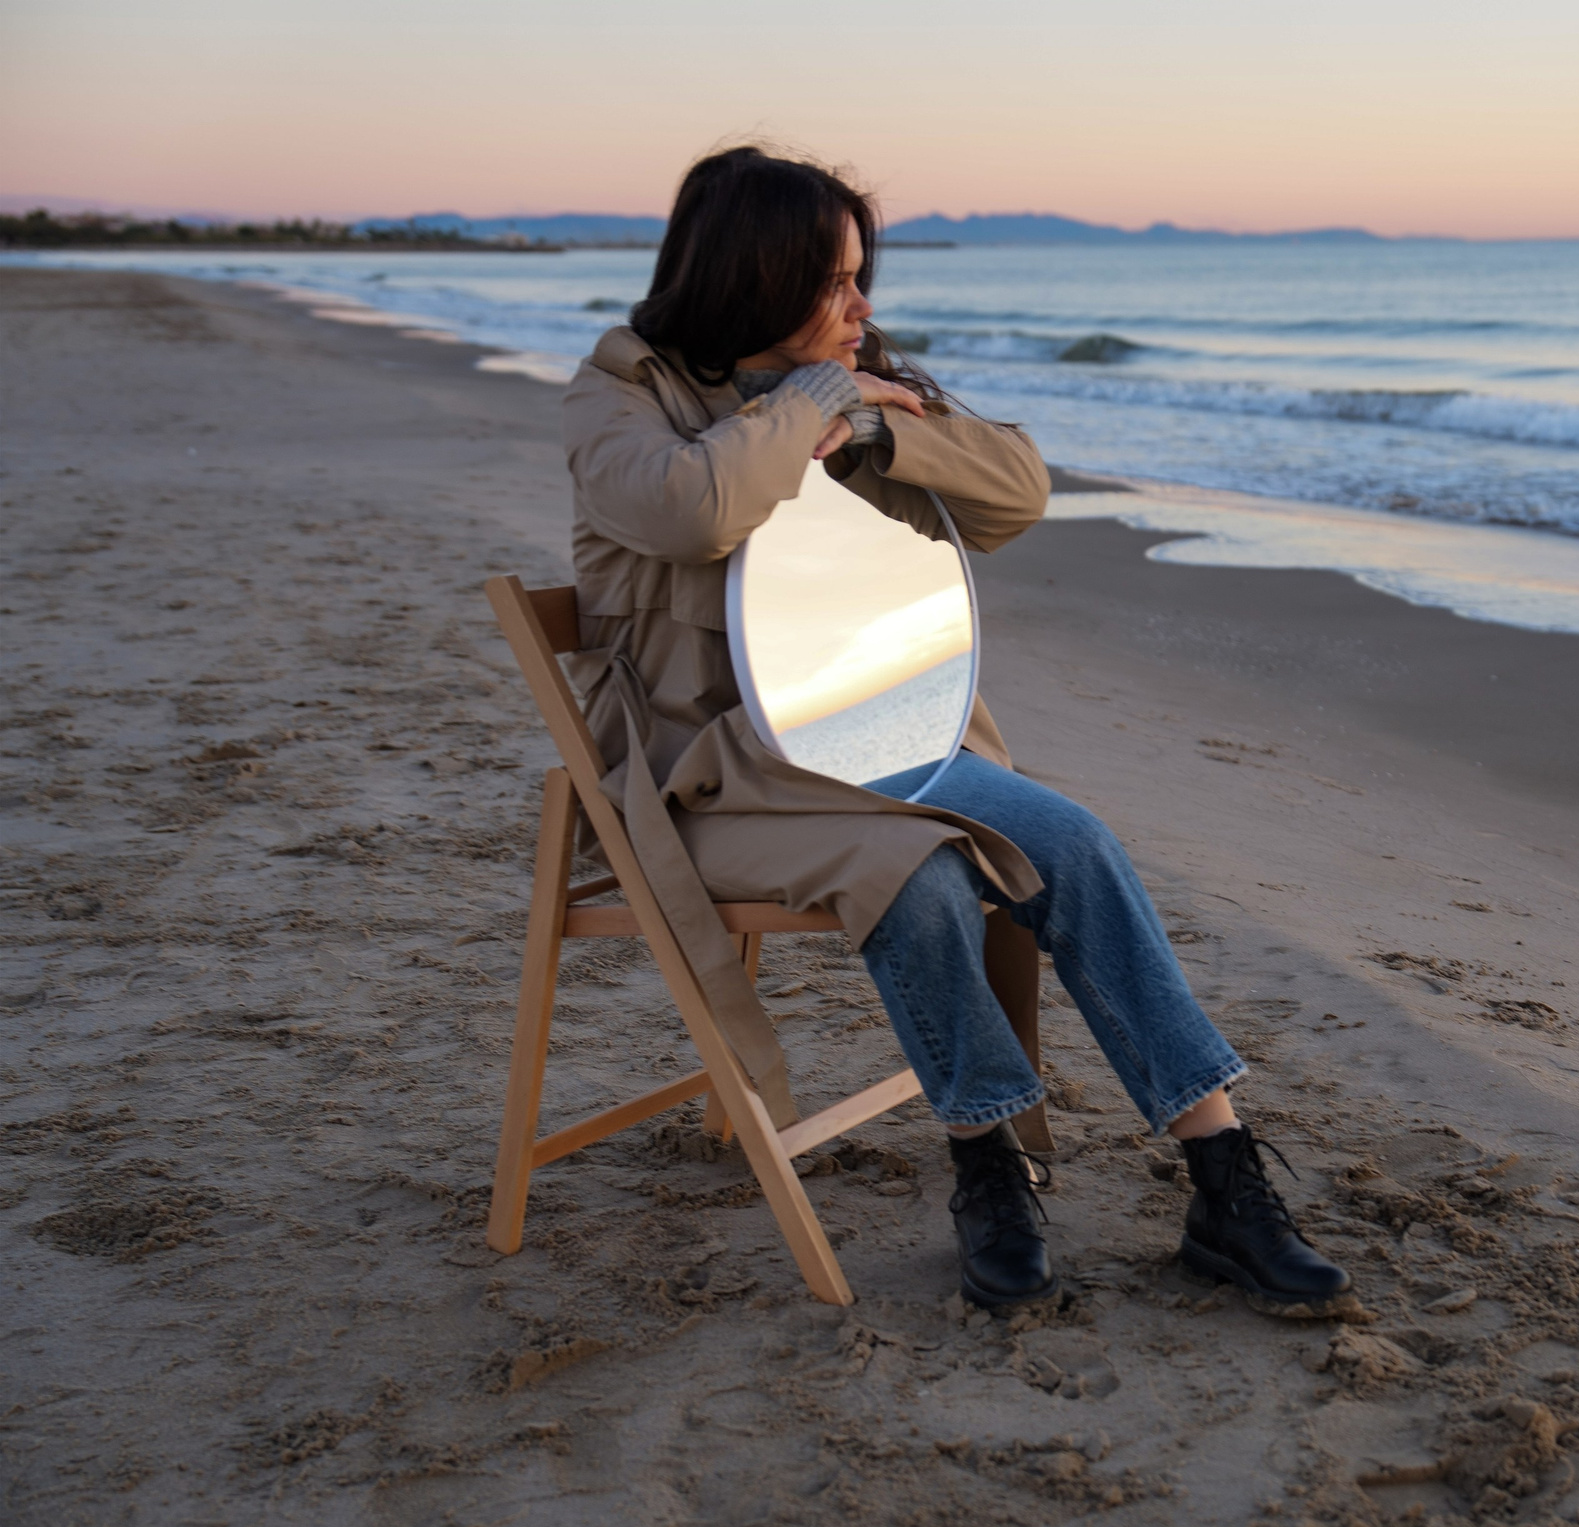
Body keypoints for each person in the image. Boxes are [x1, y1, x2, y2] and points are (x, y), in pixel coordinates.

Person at [560, 145, 1347, 1314]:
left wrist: (880, 434)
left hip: (888, 741)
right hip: (711, 787)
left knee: (1072, 839)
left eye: (860, 278)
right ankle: (989, 1166)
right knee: (920, 877)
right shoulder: (620, 398)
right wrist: (815, 404)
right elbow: (698, 507)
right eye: (835, 282)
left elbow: (1019, 491)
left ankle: (1222, 1177)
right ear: (753, 277)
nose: (861, 308)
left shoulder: (869, 380)